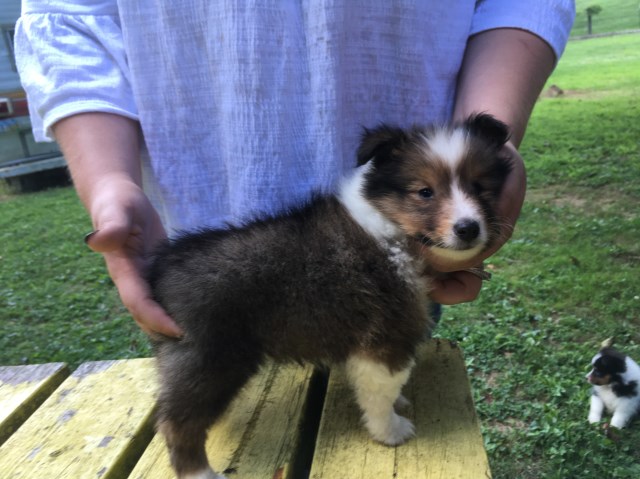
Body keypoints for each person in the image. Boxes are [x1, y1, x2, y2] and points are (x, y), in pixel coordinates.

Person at [15, 1, 575, 338]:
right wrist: (110, 180)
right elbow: (69, 16)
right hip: (205, 253)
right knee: (229, 410)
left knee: (386, 377)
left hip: (400, 255)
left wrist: (485, 145)